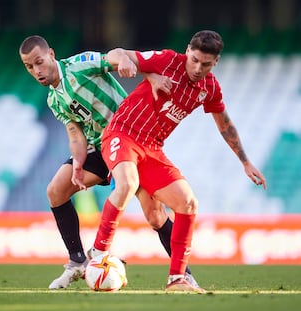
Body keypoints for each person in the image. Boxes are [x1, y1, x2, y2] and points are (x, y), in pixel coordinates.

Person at [87, 30, 267, 293]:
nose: (197, 68)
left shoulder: (210, 88)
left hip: (152, 148)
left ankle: (177, 279)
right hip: (122, 132)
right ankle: (98, 253)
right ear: (187, 50)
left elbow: (224, 124)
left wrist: (245, 161)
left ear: (215, 62)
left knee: (187, 203)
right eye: (194, 59)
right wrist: (127, 62)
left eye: (205, 64)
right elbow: (119, 54)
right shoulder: (167, 60)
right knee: (126, 183)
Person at [19, 35, 200, 289]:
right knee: (56, 191)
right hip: (97, 148)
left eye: (39, 62)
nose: (36, 70)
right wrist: (79, 164)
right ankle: (78, 262)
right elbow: (75, 135)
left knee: (155, 215)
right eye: (29, 67)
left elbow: (110, 57)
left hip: (126, 138)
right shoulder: (53, 99)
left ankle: (184, 274)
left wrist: (125, 61)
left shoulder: (78, 65)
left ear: (51, 54)